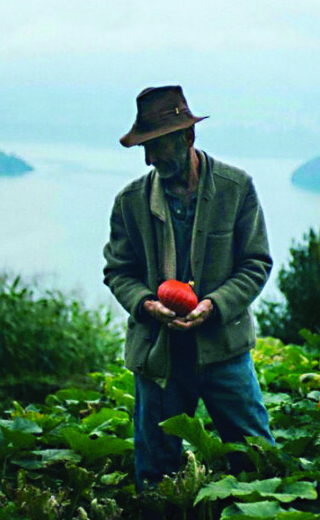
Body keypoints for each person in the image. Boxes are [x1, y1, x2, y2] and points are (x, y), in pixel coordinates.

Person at [103, 85, 275, 493]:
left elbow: (256, 263)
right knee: (155, 470)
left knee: (256, 458)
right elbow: (118, 271)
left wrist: (214, 306)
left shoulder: (236, 188)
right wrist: (146, 305)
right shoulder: (129, 202)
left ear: (188, 137)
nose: (149, 158)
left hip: (224, 349)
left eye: (157, 145)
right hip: (159, 355)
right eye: (144, 148)